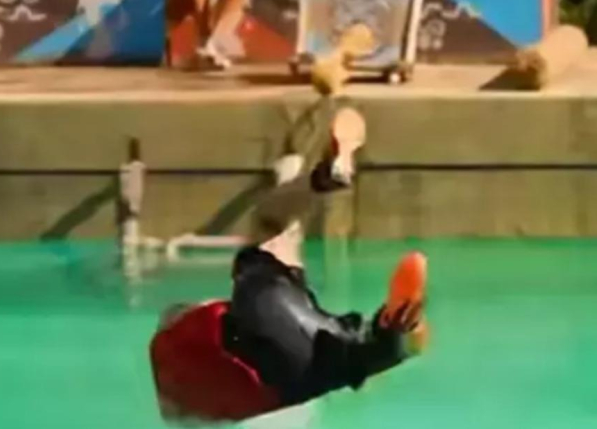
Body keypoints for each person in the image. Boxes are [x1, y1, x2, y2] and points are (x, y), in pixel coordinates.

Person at [150, 107, 428, 423]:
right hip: (272, 344)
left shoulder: (176, 363)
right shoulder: (221, 318)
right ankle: (397, 330)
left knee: (362, 353)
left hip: (263, 370)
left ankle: (397, 333)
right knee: (271, 227)